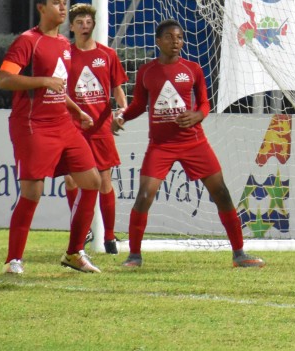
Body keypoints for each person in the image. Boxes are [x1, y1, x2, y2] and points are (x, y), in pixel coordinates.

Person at [112, 19, 264, 269]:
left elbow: (205, 103)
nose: (176, 42)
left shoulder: (192, 68)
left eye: (180, 37)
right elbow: (139, 104)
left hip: (194, 142)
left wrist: (197, 115)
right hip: (160, 145)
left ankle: (239, 254)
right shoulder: (146, 72)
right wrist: (121, 117)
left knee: (222, 193)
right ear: (158, 41)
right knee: (145, 195)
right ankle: (134, 257)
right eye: (170, 37)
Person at [0, 0, 102, 274]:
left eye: (64, 2)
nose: (62, 7)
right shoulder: (27, 41)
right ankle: (13, 261)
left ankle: (74, 253)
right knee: (32, 191)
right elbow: (4, 80)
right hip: (32, 125)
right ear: (41, 8)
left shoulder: (64, 45)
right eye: (56, 2)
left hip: (63, 124)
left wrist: (76, 109)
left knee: (92, 181)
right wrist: (42, 81)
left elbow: (59, 86)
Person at [62, 4, 128, 255]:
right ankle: (83, 229)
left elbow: (117, 89)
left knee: (104, 181)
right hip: (73, 127)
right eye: (79, 22)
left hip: (100, 127)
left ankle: (109, 237)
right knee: (70, 179)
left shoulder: (107, 54)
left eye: (88, 21)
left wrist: (123, 111)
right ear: (71, 26)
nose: (84, 26)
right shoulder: (66, 55)